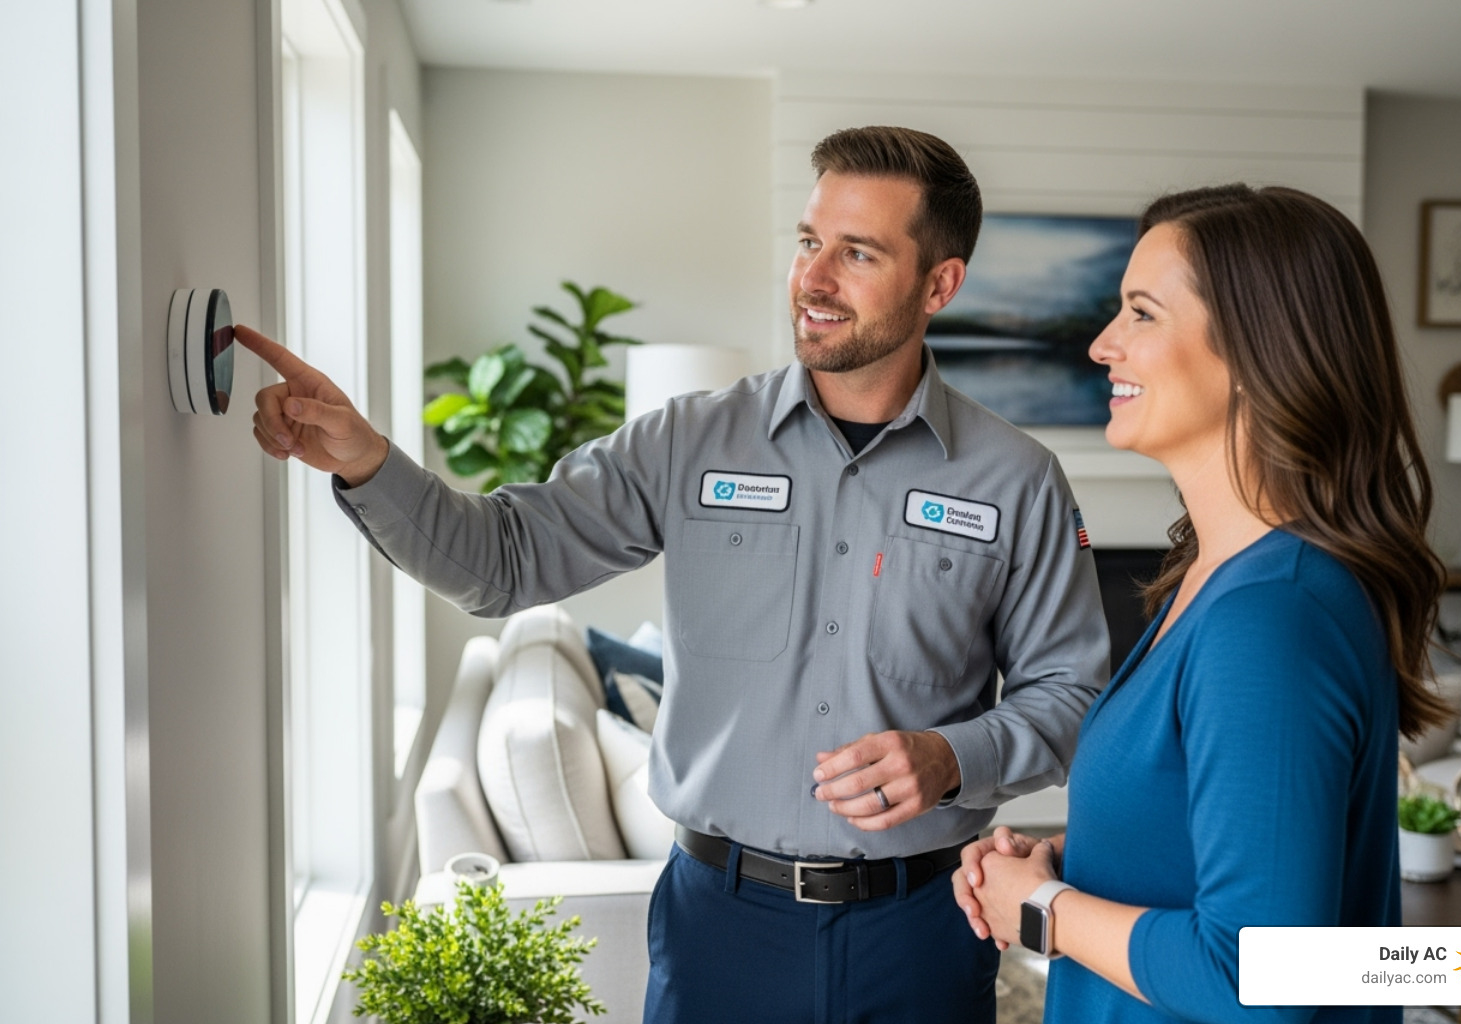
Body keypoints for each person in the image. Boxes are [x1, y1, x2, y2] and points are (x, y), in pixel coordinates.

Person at [238, 125, 1111, 1023]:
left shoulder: (1017, 480)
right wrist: (368, 461)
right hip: (720, 929)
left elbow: (1072, 694)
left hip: (922, 934)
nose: (813, 279)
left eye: (857, 253)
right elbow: (501, 561)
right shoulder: (687, 441)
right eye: (809, 242)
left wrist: (951, 757)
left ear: (940, 284)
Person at [951, 183, 1450, 1024]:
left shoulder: (1270, 619)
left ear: (1258, 352)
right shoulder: (1213, 581)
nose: (1104, 345)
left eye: (1141, 314)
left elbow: (1266, 979)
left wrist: (1045, 912)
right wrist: (1075, 863)